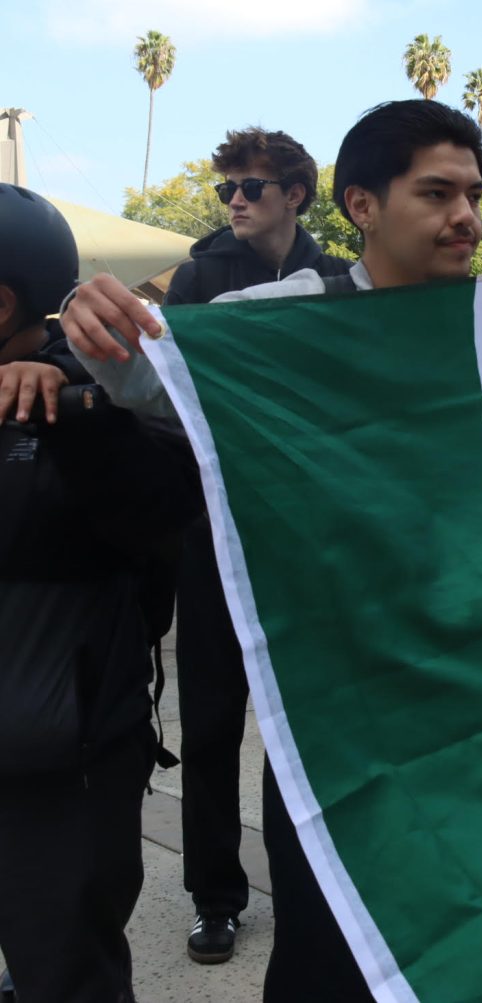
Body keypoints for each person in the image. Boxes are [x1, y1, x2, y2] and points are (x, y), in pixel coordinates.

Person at [63, 98, 482, 1003]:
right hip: (332, 683)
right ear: (362, 204)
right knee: (331, 936)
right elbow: (146, 376)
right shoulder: (284, 317)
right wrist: (85, 315)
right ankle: (219, 894)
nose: (467, 216)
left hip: (471, 685)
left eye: (475, 194)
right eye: (439, 192)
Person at [0, 184, 200, 1002]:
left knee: (69, 975)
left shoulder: (98, 401)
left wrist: (68, 414)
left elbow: (165, 514)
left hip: (58, 773)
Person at [167, 127, 351, 966]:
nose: (235, 199)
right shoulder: (199, 277)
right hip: (211, 534)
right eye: (227, 188)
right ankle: (215, 896)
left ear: (297, 195)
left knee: (299, 729)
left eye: (252, 186)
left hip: (304, 541)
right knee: (209, 722)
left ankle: (313, 889)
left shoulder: (341, 283)